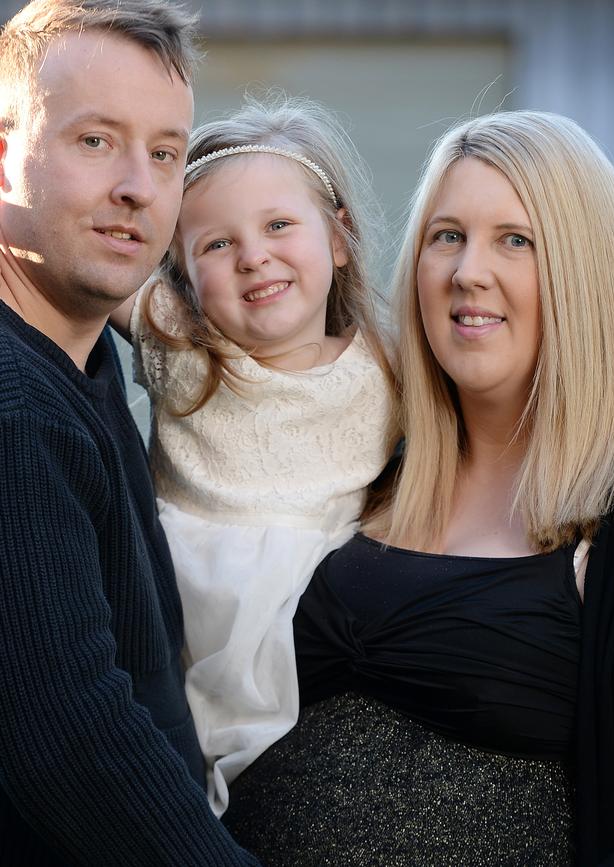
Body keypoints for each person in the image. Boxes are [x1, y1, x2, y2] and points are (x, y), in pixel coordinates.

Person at [222, 111, 614, 866]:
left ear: (585, 273)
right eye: (446, 235)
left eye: (515, 239)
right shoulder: (361, 468)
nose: (467, 271)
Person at [0, 0, 261, 863]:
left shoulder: (82, 368)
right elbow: (72, 739)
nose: (137, 187)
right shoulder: (16, 407)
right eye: (95, 140)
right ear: (5, 151)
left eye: (164, 152)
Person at [110, 93, 398, 816]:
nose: (254, 256)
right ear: (182, 272)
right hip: (186, 628)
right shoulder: (182, 345)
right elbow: (62, 258)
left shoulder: (389, 368)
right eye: (216, 244)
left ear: (339, 236)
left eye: (278, 225)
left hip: (323, 633)